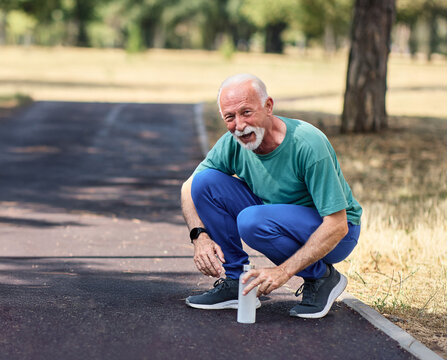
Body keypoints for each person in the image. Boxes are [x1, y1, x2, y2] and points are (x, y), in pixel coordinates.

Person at [181, 74, 362, 319]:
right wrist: (199, 236)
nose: (240, 125)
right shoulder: (232, 143)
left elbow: (337, 224)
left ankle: (321, 277)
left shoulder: (307, 143)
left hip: (337, 233)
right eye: (230, 117)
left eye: (246, 112)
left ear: (268, 106)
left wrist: (283, 272)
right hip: (274, 216)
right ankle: (237, 282)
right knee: (204, 182)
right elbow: (188, 187)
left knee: (251, 221)